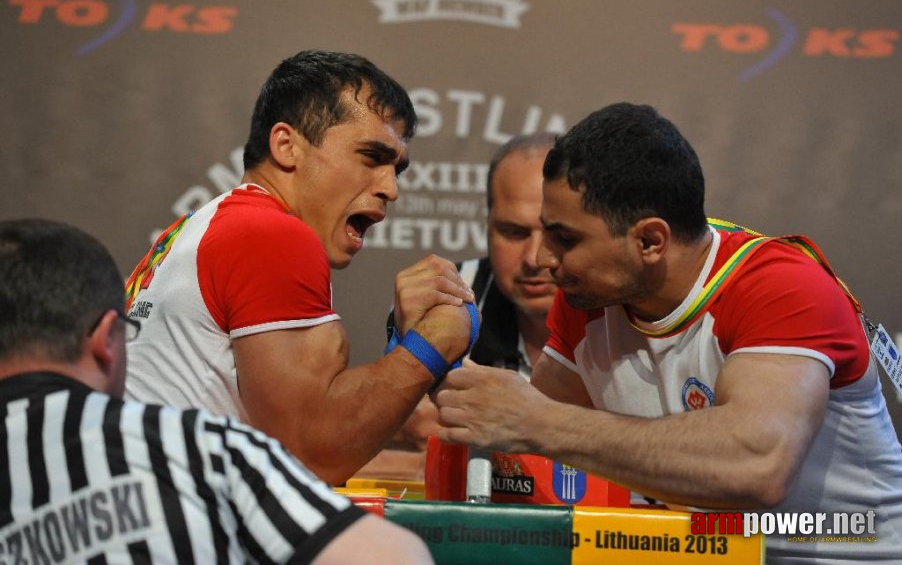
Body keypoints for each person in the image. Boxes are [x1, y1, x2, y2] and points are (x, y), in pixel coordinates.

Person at [435, 103, 902, 563]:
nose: (543, 258)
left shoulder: (781, 286)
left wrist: (534, 421)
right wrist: (433, 360)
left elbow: (757, 466)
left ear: (650, 241)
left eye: (565, 239)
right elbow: (530, 447)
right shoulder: (589, 296)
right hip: (701, 554)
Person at [124, 50, 476, 485]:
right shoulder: (269, 233)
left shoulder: (204, 227)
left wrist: (400, 351)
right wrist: (432, 344)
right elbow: (311, 456)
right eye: (371, 157)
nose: (390, 189)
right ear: (287, 146)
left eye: (396, 169)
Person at [0, 218, 434, 564]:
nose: (388, 189)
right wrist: (427, 349)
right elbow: (395, 557)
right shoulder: (200, 447)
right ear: (106, 340)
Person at [354, 133, 558, 480]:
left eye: (555, 233)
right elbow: (384, 431)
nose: (534, 258)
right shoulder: (448, 298)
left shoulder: (622, 308)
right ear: (488, 224)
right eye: (513, 232)